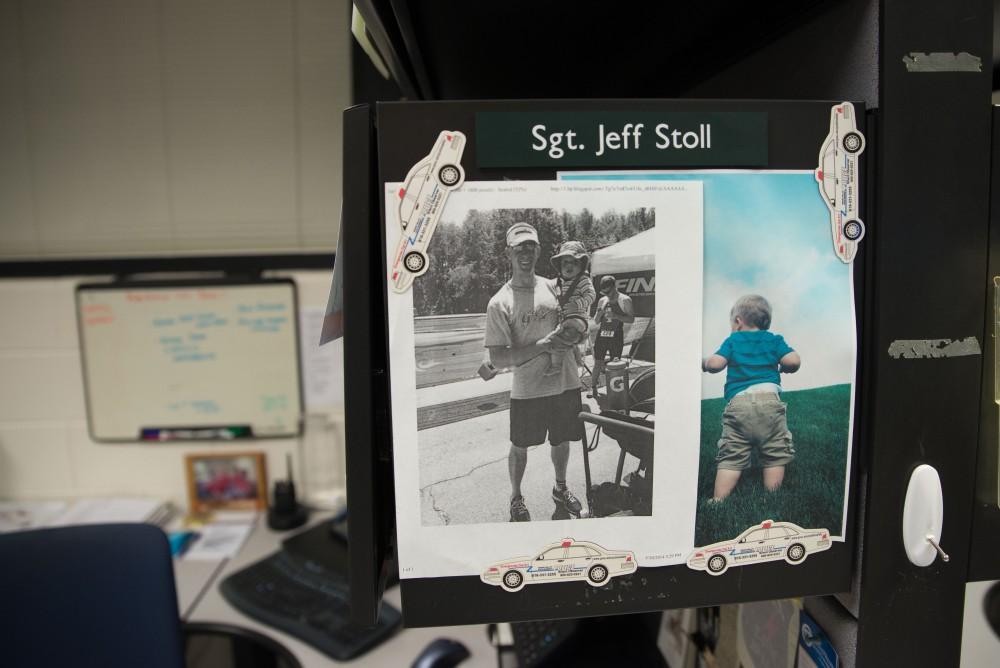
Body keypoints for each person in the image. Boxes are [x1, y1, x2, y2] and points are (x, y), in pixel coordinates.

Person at [485, 222, 586, 522]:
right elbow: (498, 359)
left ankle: (561, 488)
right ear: (509, 252)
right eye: (519, 247)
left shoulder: (556, 287)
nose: (525, 252)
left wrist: (578, 335)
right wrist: (542, 346)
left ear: (539, 250)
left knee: (562, 440)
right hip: (528, 390)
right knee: (519, 447)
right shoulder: (499, 302)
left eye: (531, 246)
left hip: (566, 383)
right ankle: (516, 497)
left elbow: (579, 321)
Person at [702, 294, 801, 501]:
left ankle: (718, 500)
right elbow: (793, 360)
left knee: (732, 453)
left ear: (738, 321)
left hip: (738, 405)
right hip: (770, 404)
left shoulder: (733, 340)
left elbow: (715, 364)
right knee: (775, 450)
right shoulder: (774, 340)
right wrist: (785, 367)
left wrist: (704, 363)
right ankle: (771, 496)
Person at [544, 241, 596, 376]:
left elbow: (591, 295)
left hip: (578, 318)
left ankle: (556, 365)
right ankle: (577, 358)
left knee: (560, 336)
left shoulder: (583, 280)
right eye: (565, 263)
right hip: (566, 319)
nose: (569, 266)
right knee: (566, 336)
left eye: (574, 262)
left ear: (582, 266)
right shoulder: (559, 284)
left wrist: (577, 304)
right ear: (560, 266)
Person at [590, 275, 635, 396]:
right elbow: (596, 321)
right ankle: (593, 388)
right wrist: (600, 313)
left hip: (616, 334)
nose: (607, 294)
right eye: (604, 292)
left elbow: (631, 319)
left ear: (615, 286)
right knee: (598, 363)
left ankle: (616, 391)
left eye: (609, 291)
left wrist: (616, 316)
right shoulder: (602, 300)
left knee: (615, 363)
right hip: (603, 334)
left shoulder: (625, 300)